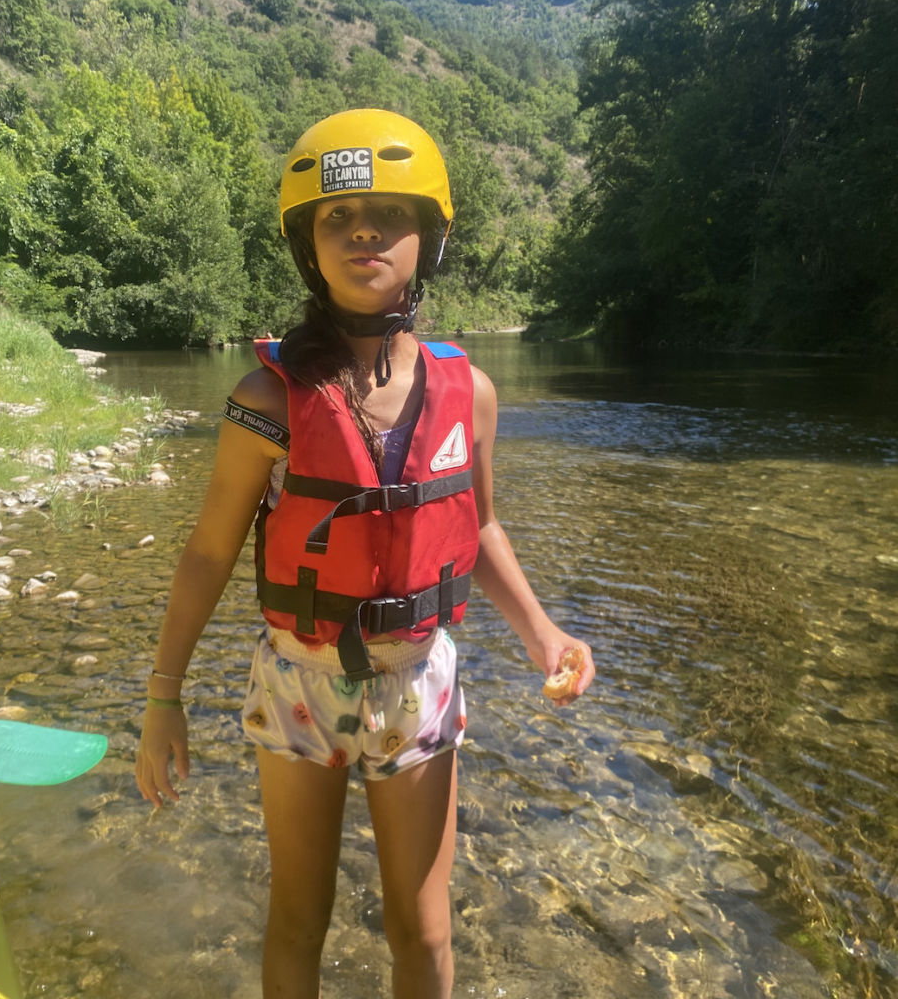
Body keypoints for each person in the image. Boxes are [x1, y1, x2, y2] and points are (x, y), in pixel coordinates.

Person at [135, 109, 594, 999]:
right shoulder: (266, 396)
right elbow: (207, 552)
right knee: (297, 919)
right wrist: (163, 697)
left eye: (391, 213)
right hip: (297, 682)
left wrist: (542, 634)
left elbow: (479, 528)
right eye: (336, 217)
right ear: (309, 246)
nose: (364, 231)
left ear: (431, 237)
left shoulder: (473, 393)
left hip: (418, 683)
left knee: (421, 934)